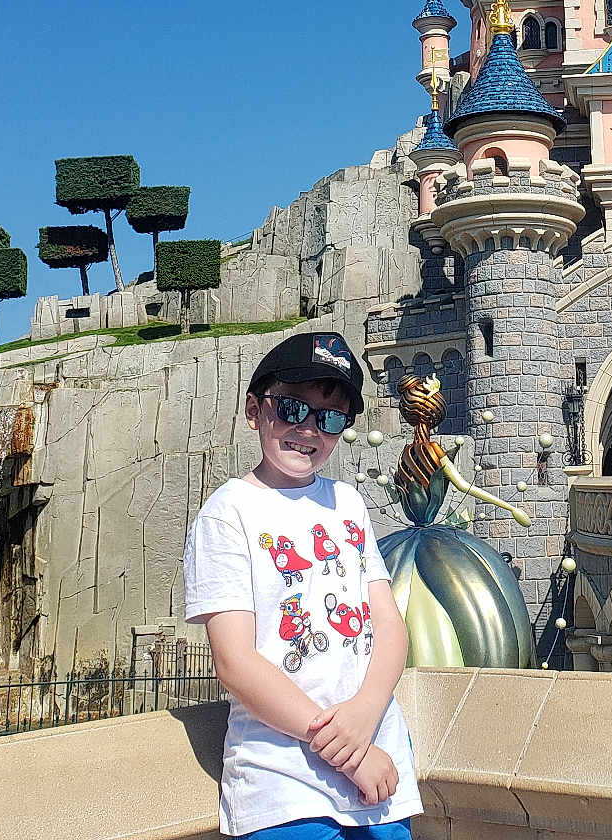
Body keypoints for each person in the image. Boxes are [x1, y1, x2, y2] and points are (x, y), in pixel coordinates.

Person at [183, 331, 421, 840]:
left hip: (378, 777)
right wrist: (348, 749)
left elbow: (390, 629)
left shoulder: (348, 502)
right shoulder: (227, 513)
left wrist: (364, 715)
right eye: (292, 408)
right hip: (284, 785)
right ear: (255, 410)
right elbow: (235, 662)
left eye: (330, 419)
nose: (309, 429)